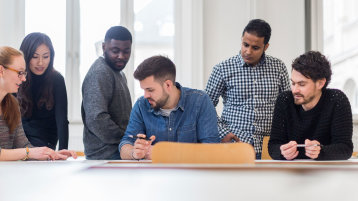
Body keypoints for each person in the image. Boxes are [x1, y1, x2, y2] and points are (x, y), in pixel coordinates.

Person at [205, 19, 290, 159]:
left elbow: (287, 106)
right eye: (245, 45)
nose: (248, 51)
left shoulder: (278, 67)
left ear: (266, 46)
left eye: (255, 48)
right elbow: (205, 107)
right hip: (234, 145)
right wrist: (222, 132)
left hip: (270, 147)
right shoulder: (222, 69)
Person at [119, 55, 220, 160]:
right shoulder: (141, 105)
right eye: (144, 90)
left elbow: (211, 149)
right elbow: (125, 144)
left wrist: (164, 153)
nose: (145, 95)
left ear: (168, 85)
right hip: (153, 175)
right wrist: (134, 153)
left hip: (192, 174)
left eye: (150, 90)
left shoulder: (200, 101)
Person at [268, 51, 353, 160]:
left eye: (302, 84)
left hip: (327, 172)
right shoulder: (284, 100)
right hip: (291, 171)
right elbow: (273, 146)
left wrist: (321, 151)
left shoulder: (337, 100)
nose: (295, 90)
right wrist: (282, 151)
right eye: (293, 83)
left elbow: (345, 148)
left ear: (320, 83)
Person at [0, 46, 76, 161]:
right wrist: (29, 152)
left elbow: (23, 146)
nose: (24, 78)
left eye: (24, 73)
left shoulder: (12, 105)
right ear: (1, 70)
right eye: (19, 72)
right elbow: (26, 152)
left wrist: (50, 155)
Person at [82, 26, 132, 160]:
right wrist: (127, 139)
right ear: (104, 47)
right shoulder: (100, 72)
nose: (121, 56)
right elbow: (96, 119)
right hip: (105, 155)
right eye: (115, 51)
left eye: (126, 51)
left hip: (118, 150)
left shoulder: (119, 73)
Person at [16, 32, 69, 151]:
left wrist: (63, 150)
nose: (40, 63)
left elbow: (62, 120)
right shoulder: (17, 79)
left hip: (45, 144)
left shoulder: (57, 79)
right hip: (20, 145)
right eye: (35, 57)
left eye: (46, 57)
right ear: (25, 57)